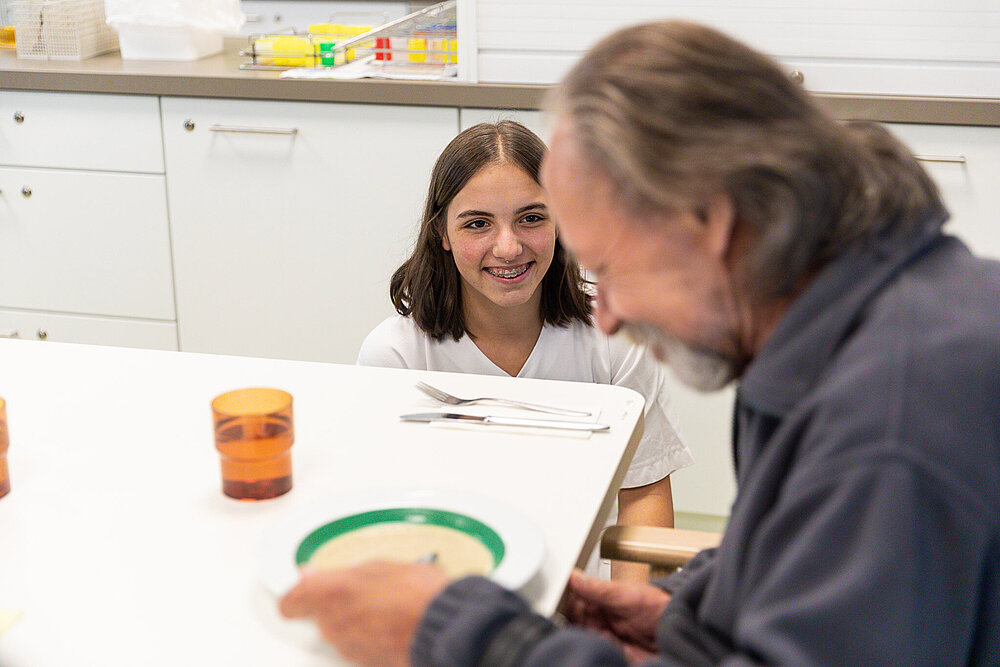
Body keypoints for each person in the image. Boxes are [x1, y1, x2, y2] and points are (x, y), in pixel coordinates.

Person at [280, 20, 1000, 666]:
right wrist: (696, 612)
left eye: (613, 268)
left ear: (709, 223)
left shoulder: (890, 423)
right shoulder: (837, 334)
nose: (612, 313)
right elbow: (808, 567)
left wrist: (463, 633)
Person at [355, 120, 694, 581]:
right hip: (449, 587)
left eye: (532, 217)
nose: (509, 247)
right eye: (478, 224)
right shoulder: (394, 358)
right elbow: (383, 517)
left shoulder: (616, 336)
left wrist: (623, 618)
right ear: (442, 233)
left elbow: (643, 491)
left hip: (584, 591)